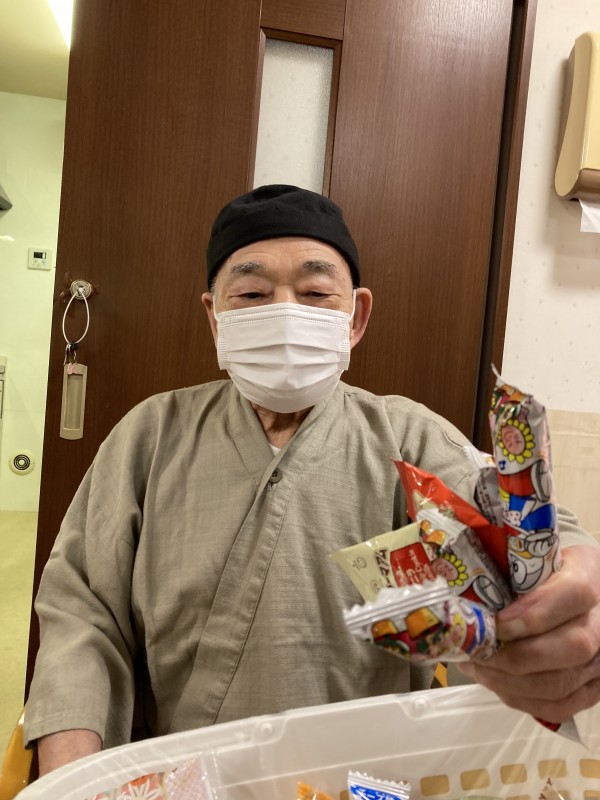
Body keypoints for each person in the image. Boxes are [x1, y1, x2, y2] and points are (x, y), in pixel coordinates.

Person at [25, 185, 600, 776]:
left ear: (356, 317)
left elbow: (529, 536)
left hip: (357, 782)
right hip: (177, 780)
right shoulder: (150, 435)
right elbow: (81, 614)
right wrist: (74, 779)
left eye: (316, 293)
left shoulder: (407, 437)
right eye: (252, 294)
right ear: (215, 317)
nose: (284, 314)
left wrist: (573, 589)